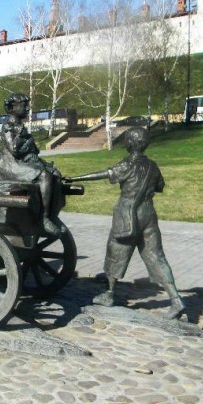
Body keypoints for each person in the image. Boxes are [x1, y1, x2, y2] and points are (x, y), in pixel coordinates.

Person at [64, 127, 185, 319]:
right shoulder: (153, 166)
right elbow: (160, 186)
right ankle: (176, 299)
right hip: (148, 214)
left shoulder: (127, 164)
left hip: (127, 214)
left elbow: (104, 173)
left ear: (129, 144)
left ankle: (109, 294)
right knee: (156, 256)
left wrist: (74, 178)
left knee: (116, 251)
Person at [0, 93, 62, 236]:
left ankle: (51, 216)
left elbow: (31, 152)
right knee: (44, 176)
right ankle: (43, 220)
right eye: (24, 106)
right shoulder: (8, 126)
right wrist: (23, 137)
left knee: (55, 174)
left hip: (21, 163)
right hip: (10, 166)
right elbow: (14, 150)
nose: (27, 109)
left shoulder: (20, 125)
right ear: (12, 108)